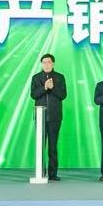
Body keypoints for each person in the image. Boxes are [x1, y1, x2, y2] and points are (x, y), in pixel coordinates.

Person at [30, 53, 67, 181]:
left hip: (55, 116)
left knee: (52, 146)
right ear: (41, 64)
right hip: (40, 116)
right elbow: (33, 95)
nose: (46, 64)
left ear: (53, 63)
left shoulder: (60, 77)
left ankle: (53, 173)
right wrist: (44, 87)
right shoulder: (36, 78)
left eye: (49, 62)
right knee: (40, 145)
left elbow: (63, 95)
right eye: (44, 62)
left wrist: (53, 88)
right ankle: (40, 172)